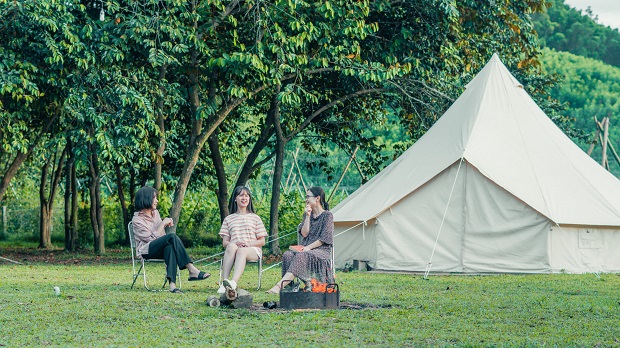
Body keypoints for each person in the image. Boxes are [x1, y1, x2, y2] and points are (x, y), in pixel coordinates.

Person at [131, 186, 210, 293]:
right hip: (146, 251)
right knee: (171, 236)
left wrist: (163, 225)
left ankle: (172, 285)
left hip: (159, 248)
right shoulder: (137, 220)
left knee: (170, 247)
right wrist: (162, 224)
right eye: (154, 198)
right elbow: (149, 240)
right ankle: (192, 270)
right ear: (146, 198)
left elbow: (162, 237)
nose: (157, 201)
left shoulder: (156, 214)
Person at [266, 186, 334, 294]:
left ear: (317, 198)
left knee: (301, 255)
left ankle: (279, 287)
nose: (306, 199)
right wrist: (307, 216)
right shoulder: (307, 214)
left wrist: (308, 248)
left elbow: (324, 239)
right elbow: (304, 233)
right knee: (287, 255)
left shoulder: (327, 215)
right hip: (306, 247)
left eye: (308, 196)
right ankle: (292, 286)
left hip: (321, 250)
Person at [219, 186, 268, 298]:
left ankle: (233, 283)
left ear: (249, 199)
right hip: (234, 249)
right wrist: (234, 244)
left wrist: (249, 244)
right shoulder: (229, 219)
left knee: (242, 251)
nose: (244, 198)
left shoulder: (255, 218)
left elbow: (262, 241)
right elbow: (225, 243)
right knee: (231, 247)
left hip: (252, 249)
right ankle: (225, 282)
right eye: (241, 195)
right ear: (235, 199)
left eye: (247, 195)